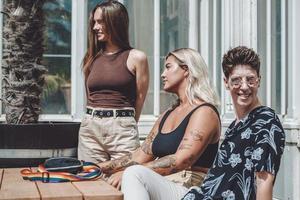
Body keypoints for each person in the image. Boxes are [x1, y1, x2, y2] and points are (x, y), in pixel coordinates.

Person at [98, 48, 220, 199]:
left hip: (193, 188)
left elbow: (181, 160)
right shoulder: (167, 114)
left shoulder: (204, 112)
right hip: (167, 183)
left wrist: (127, 173)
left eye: (168, 67)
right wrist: (96, 167)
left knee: (133, 174)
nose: (163, 74)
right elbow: (139, 155)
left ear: (186, 70)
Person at [182, 46, 285, 200]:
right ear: (226, 82)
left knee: (138, 175)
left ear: (259, 81)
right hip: (201, 196)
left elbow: (263, 179)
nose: (244, 87)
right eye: (236, 80)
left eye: (250, 80)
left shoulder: (266, 121)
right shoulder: (234, 126)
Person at [78, 1, 149, 163]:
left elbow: (140, 99)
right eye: (94, 22)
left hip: (122, 130)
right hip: (90, 129)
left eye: (100, 21)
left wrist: (124, 123)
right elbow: (90, 96)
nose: (95, 27)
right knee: (91, 181)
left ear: (115, 22)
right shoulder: (91, 58)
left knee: (124, 179)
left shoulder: (137, 57)